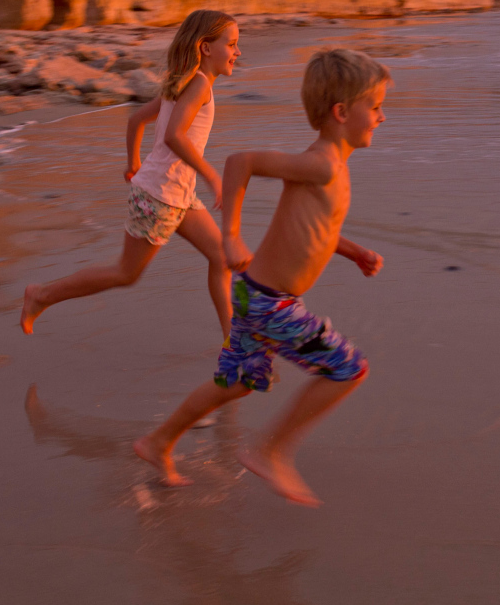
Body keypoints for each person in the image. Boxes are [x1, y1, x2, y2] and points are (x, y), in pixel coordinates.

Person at [134, 48, 389, 507]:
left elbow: (318, 228)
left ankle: (158, 442)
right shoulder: (322, 164)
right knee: (349, 369)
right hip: (273, 303)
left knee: (237, 382)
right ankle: (270, 450)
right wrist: (229, 235)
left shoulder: (332, 166)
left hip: (255, 296)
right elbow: (239, 162)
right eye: (375, 108)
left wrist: (353, 252)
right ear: (342, 112)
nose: (382, 117)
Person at [21, 9, 240, 337]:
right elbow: (174, 135)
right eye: (232, 44)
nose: (238, 52)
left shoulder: (184, 82)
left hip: (174, 193)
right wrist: (211, 175)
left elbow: (136, 120)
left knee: (221, 256)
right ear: (206, 48)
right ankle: (40, 296)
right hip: (161, 196)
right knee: (125, 273)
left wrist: (133, 163)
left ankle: (233, 339)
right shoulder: (198, 87)